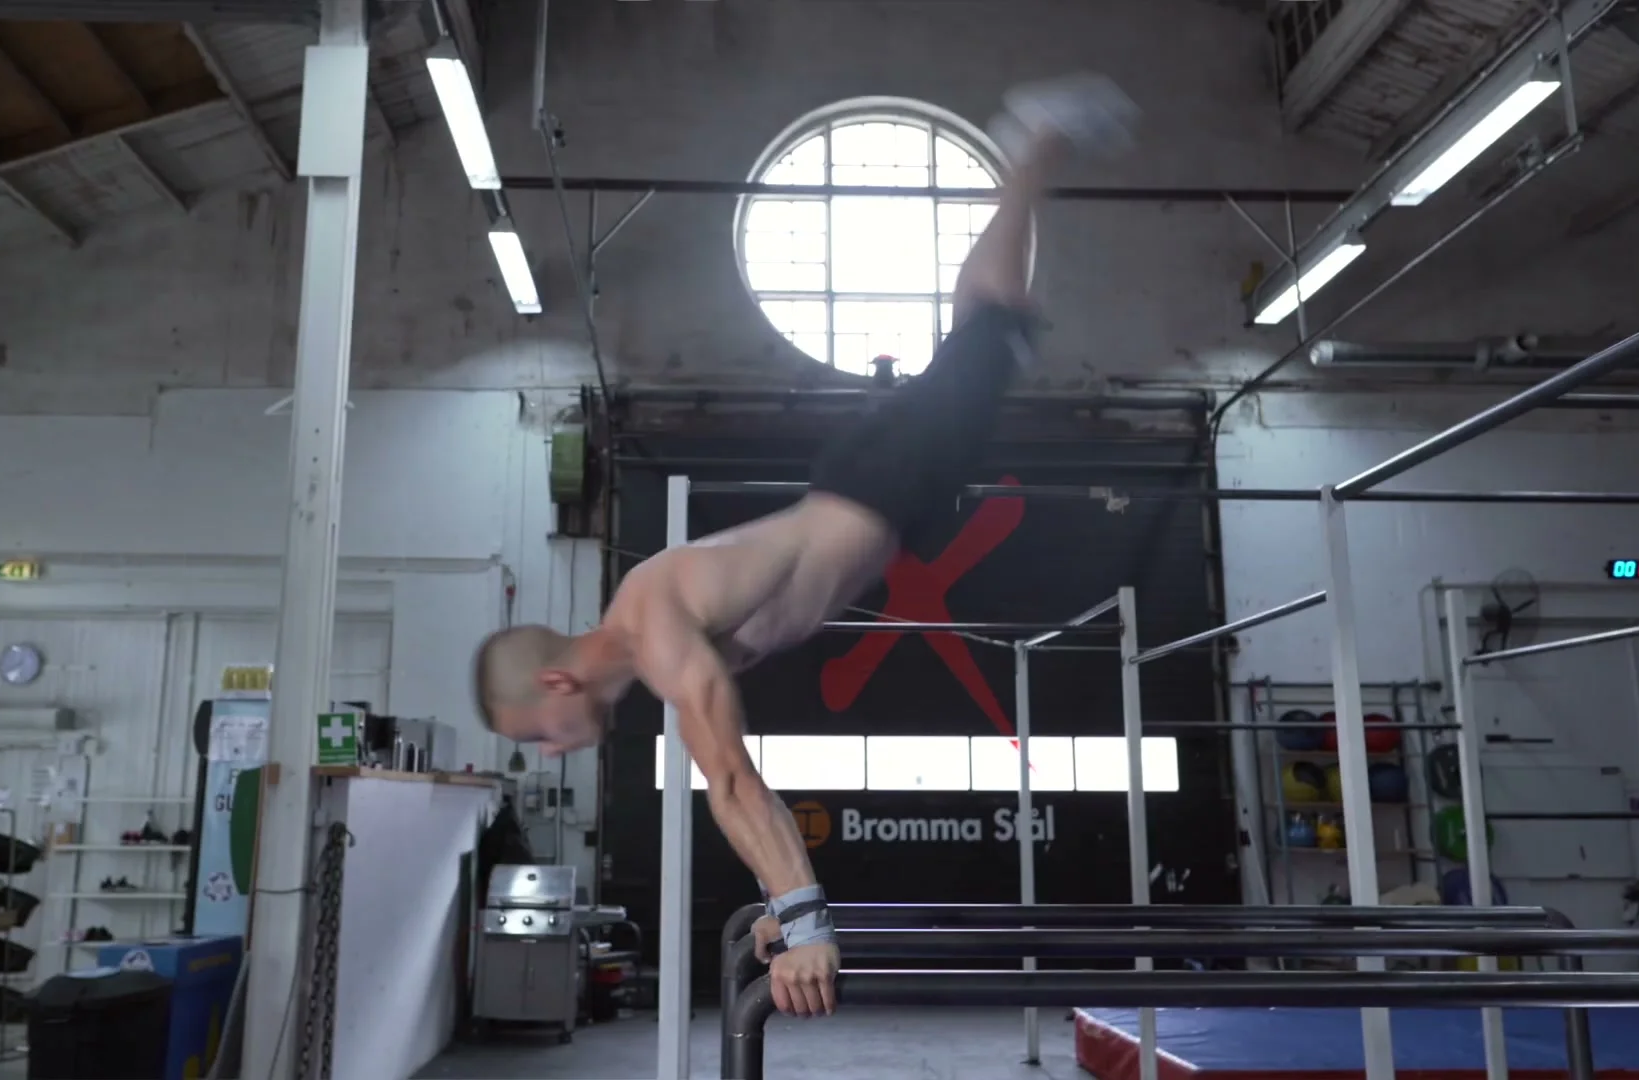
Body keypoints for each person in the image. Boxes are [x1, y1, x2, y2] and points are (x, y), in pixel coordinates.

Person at [473, 75, 1139, 1018]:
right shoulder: (651, 646)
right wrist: (783, 904)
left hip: (880, 485)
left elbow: (737, 775)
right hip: (875, 489)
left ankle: (1035, 148)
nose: (546, 758)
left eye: (534, 739)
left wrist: (805, 910)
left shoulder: (656, 630)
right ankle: (1032, 154)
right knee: (988, 332)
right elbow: (725, 791)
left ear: (555, 687)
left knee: (994, 327)